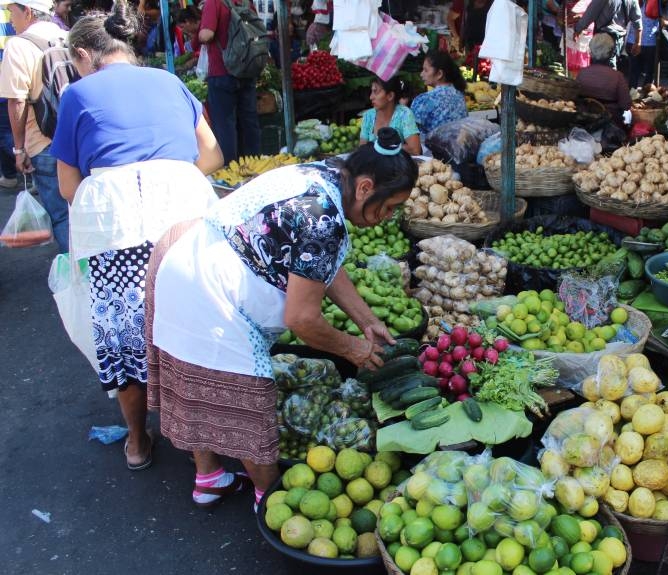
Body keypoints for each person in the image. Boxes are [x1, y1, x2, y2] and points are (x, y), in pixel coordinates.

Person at [145, 128, 417, 509]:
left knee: (197, 382)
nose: (388, 218)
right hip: (212, 293)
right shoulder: (323, 217)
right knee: (248, 405)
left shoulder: (325, 174)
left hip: (183, 262)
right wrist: (352, 348)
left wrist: (365, 319)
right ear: (365, 187)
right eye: (388, 207)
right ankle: (268, 502)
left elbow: (319, 264)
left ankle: (209, 478)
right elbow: (302, 320)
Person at [49, 3, 222, 471]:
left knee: (125, 339)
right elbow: (212, 155)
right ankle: (201, 443)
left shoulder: (78, 95)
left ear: (85, 54)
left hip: (118, 231)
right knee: (186, 326)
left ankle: (138, 439)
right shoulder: (170, 81)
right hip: (186, 221)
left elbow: (67, 188)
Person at [0, 0, 70, 252]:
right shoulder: (68, 36)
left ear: (27, 11)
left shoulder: (18, 46)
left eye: (12, 13)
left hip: (44, 142)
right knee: (85, 211)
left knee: (62, 216)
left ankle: (80, 281)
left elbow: (16, 101)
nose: (10, 20)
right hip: (77, 139)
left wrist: (18, 149)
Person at [196, 0, 261, 164]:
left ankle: (230, 170)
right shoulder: (246, 2)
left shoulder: (214, 2)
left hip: (222, 71)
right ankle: (255, 165)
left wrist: (198, 34)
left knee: (225, 125)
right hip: (246, 69)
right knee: (249, 122)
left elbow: (207, 34)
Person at [411, 50, 468, 136]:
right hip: (458, 147)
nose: (421, 74)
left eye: (426, 70)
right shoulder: (459, 95)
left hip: (431, 148)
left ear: (439, 74)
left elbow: (409, 133)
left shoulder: (424, 100)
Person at [360, 77, 421, 156]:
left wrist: (383, 147)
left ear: (390, 96)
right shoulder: (368, 116)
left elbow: (415, 150)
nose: (371, 97)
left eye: (375, 92)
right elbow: (362, 149)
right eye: (371, 92)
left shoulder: (404, 114)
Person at [576, 33, 630, 122]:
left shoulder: (582, 73)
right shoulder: (617, 77)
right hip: (610, 122)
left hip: (585, 120)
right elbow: (626, 105)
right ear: (611, 53)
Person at [573, 0, 642, 69]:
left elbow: (590, 14)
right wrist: (637, 42)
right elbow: (638, 21)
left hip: (603, 38)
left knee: (600, 68)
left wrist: (578, 29)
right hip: (619, 39)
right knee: (610, 64)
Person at [0, 3, 21, 190]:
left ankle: (33, 167)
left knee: (5, 132)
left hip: (6, 81)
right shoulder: (11, 7)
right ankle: (9, 174)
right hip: (14, 77)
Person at [624, 6, 660, 88]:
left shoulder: (635, 2)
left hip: (634, 41)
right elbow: (665, 22)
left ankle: (632, 93)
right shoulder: (656, 3)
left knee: (634, 71)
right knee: (649, 72)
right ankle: (645, 94)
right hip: (648, 42)